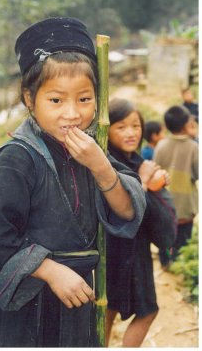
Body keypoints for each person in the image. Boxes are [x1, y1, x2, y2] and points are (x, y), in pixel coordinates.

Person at [0, 17, 146, 347]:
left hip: (77, 306)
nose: (72, 114)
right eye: (56, 100)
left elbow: (127, 212)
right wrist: (51, 271)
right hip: (26, 311)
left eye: (84, 99)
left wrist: (102, 168)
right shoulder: (16, 159)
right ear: (30, 99)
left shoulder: (90, 150)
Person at [105, 98, 175, 348]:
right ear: (106, 129)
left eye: (136, 126)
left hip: (133, 249)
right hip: (122, 250)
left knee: (109, 307)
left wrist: (157, 184)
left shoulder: (135, 160)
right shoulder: (109, 163)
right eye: (121, 127)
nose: (131, 132)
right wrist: (144, 183)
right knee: (146, 311)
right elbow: (123, 208)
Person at [154, 105, 198, 268]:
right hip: (185, 203)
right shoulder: (193, 147)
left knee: (166, 236)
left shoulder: (161, 145)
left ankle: (165, 261)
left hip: (165, 202)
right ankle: (180, 263)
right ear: (187, 125)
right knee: (183, 237)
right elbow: (197, 173)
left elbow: (156, 170)